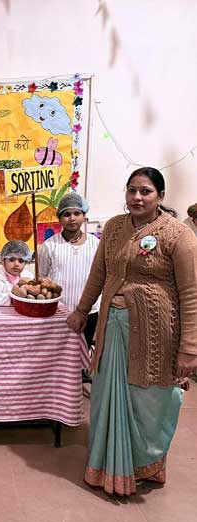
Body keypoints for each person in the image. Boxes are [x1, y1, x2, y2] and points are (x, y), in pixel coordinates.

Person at [66, 167, 197, 496]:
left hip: (157, 335)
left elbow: (191, 294)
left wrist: (190, 347)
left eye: (145, 191)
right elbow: (99, 275)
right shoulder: (113, 227)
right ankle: (107, 466)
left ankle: (145, 464)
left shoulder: (178, 235)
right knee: (105, 395)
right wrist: (82, 310)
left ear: (160, 196)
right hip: (112, 328)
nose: (137, 197)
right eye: (132, 190)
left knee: (150, 400)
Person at [38, 192, 100, 348]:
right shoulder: (49, 246)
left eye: (77, 213)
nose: (72, 218)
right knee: (57, 355)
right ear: (59, 218)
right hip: (57, 313)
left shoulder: (96, 244)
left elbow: (102, 277)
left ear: (84, 216)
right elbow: (42, 277)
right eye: (66, 214)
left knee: (83, 352)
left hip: (89, 312)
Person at [0, 240, 33, 306]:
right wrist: (13, 296)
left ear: (25, 262)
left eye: (21, 261)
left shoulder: (29, 276)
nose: (16, 264)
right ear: (3, 260)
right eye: (11, 260)